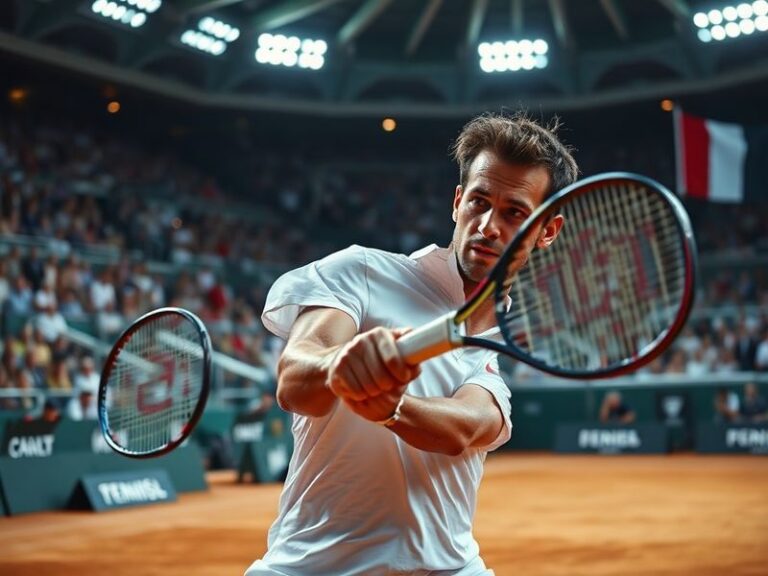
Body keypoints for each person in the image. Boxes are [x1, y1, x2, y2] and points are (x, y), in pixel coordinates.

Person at [245, 112, 578, 576]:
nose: (487, 226)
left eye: (514, 213)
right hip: (309, 566)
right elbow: (296, 380)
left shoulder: (492, 351)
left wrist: (389, 406)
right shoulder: (360, 271)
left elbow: (464, 428)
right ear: (457, 202)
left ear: (547, 231)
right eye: (479, 202)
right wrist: (344, 364)